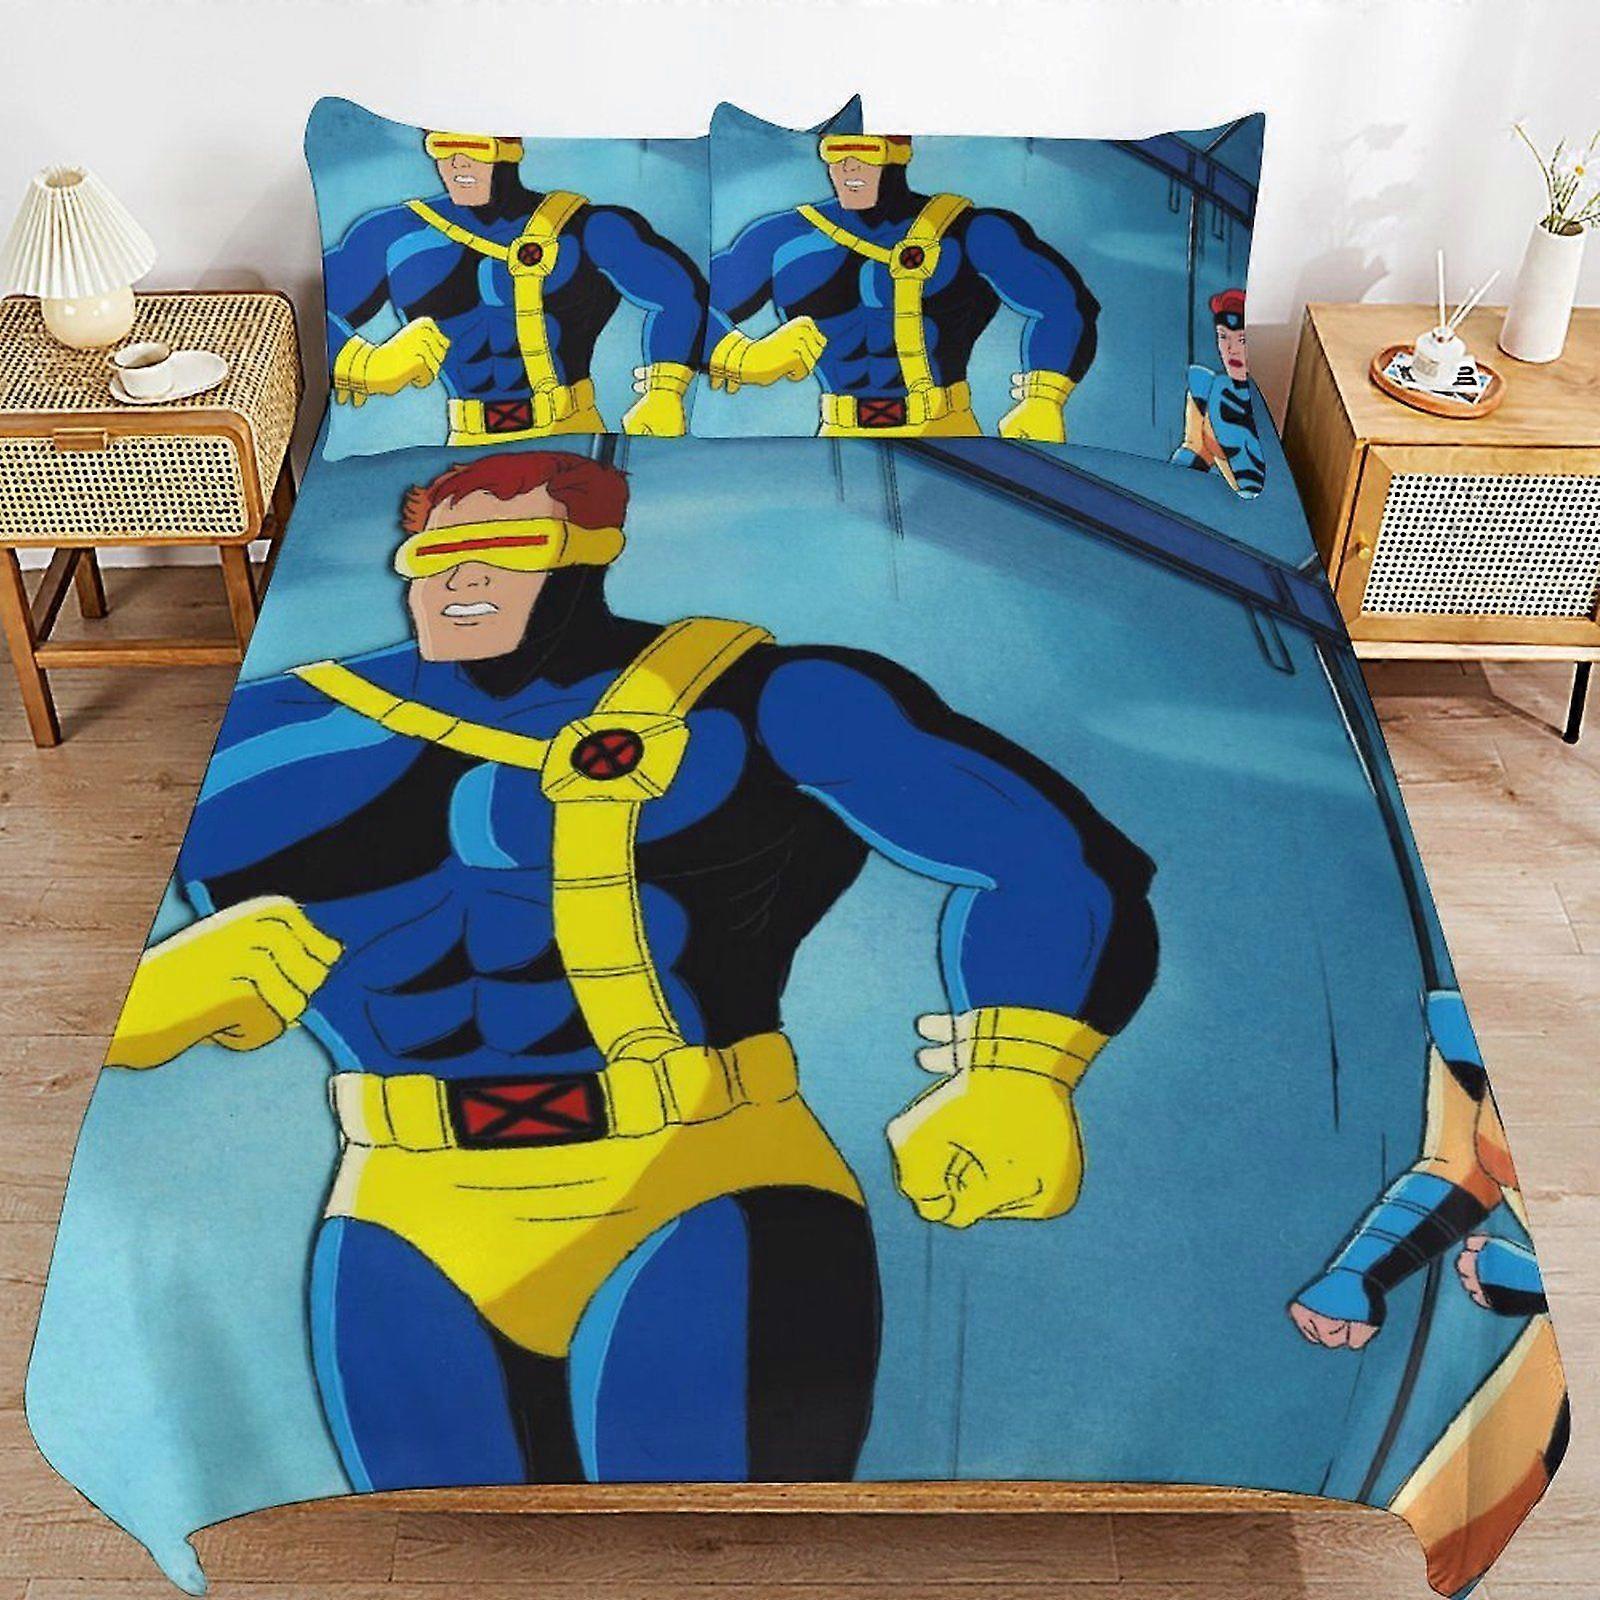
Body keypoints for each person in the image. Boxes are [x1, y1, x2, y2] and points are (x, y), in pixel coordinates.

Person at [108, 449, 1157, 1489]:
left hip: (705, 1175)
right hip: (401, 1200)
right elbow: (77, 956)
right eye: (435, 550)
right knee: (439, 1553)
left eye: (508, 545)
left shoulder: (761, 700)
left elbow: (1052, 856)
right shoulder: (261, 736)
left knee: (725, 1547)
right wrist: (139, 1002)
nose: (462, 572)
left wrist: (1021, 1068)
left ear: (594, 550)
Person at [323, 131, 707, 443]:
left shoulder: (586, 228)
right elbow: (320, 312)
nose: (457, 161)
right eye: (442, 145)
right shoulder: (395, 235)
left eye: (474, 146)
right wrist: (365, 363)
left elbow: (682, 295)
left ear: (510, 146)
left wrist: (665, 391)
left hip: (570, 429)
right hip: (467, 438)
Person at [708, 134, 1098, 439]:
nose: (847, 164)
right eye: (835, 151)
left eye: (864, 150)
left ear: (898, 153)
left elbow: (1064, 304)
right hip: (839, 434)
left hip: (945, 431)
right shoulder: (782, 239)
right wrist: (742, 356)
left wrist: (1045, 398)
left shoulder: (968, 231)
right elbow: (690, 303)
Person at [1170, 288, 1265, 498]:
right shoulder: (1207, 389)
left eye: (1242, 340)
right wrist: (1169, 488)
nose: (1231, 349)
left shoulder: (1262, 399)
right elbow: (1195, 451)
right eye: (1223, 336)